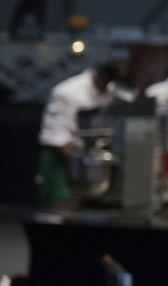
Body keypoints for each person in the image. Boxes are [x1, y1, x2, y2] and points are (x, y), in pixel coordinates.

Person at [36, 62, 123, 208]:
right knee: (59, 203)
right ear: (102, 77)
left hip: (84, 153)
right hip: (58, 156)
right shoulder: (68, 92)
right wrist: (75, 158)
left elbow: (105, 123)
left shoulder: (107, 93)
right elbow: (57, 132)